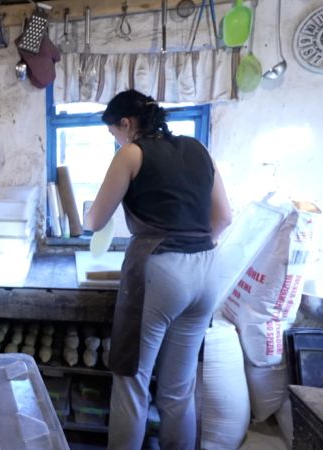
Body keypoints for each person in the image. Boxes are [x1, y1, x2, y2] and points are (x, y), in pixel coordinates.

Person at [84, 90, 232, 449]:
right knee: (178, 388)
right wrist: (190, 245)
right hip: (208, 271)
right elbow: (224, 217)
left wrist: (169, 249)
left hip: (163, 273)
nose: (116, 140)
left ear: (126, 123)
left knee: (132, 382)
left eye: (114, 133)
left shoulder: (132, 153)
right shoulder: (198, 149)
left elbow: (94, 220)